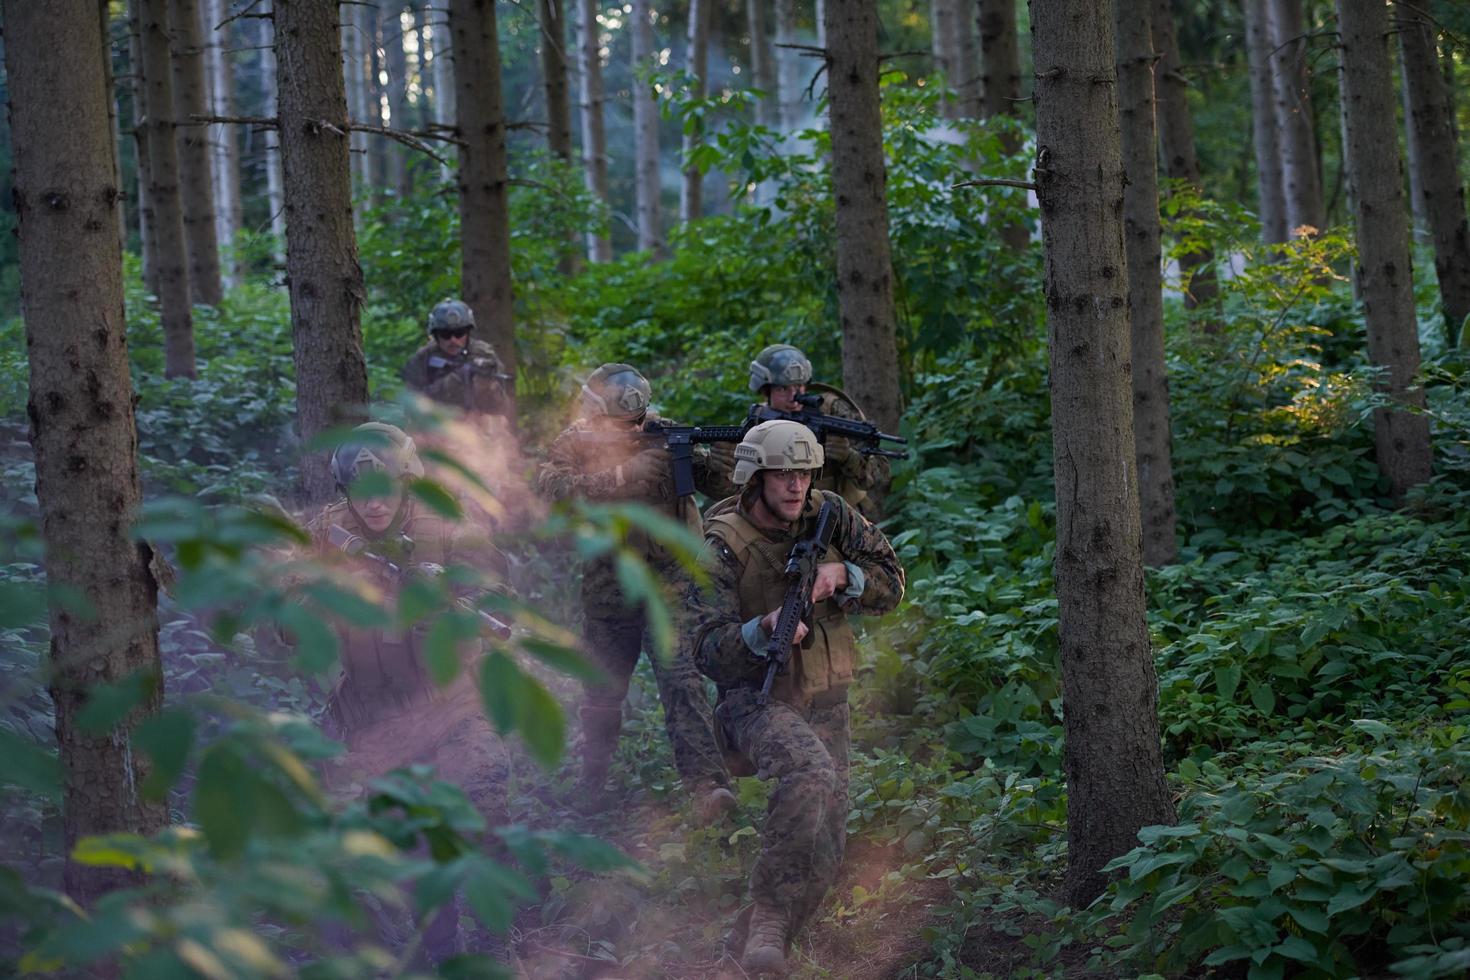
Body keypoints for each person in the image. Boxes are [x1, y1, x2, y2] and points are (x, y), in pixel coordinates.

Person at [683, 419, 905, 975]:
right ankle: (769, 920)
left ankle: (744, 942)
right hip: (753, 701)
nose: (796, 486)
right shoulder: (723, 543)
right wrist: (764, 628)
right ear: (754, 478)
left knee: (825, 856)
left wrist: (844, 575)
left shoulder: (830, 513)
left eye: (804, 473)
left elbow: (892, 581)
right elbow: (705, 650)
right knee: (808, 772)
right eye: (782, 474)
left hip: (826, 698)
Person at [535, 363, 737, 824]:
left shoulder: (668, 435)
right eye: (619, 423)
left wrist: (727, 462)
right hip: (611, 589)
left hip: (672, 585)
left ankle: (708, 788)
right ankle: (592, 783)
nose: (632, 429)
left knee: (683, 685)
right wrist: (623, 474)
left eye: (637, 421)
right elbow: (552, 491)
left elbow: (720, 485)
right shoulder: (573, 442)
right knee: (602, 695)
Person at [747, 343, 891, 519]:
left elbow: (880, 475)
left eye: (799, 387)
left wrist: (848, 457)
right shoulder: (758, 419)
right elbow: (736, 481)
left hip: (841, 518)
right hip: (779, 520)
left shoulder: (833, 411)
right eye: (783, 388)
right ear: (765, 391)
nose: (794, 397)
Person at [402, 299, 510, 418]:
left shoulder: (484, 354)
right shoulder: (423, 359)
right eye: (445, 334)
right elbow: (412, 407)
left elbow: (502, 408)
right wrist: (455, 379)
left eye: (459, 333)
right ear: (436, 335)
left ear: (468, 333)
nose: (453, 340)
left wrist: (489, 387)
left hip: (478, 426)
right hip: (438, 426)